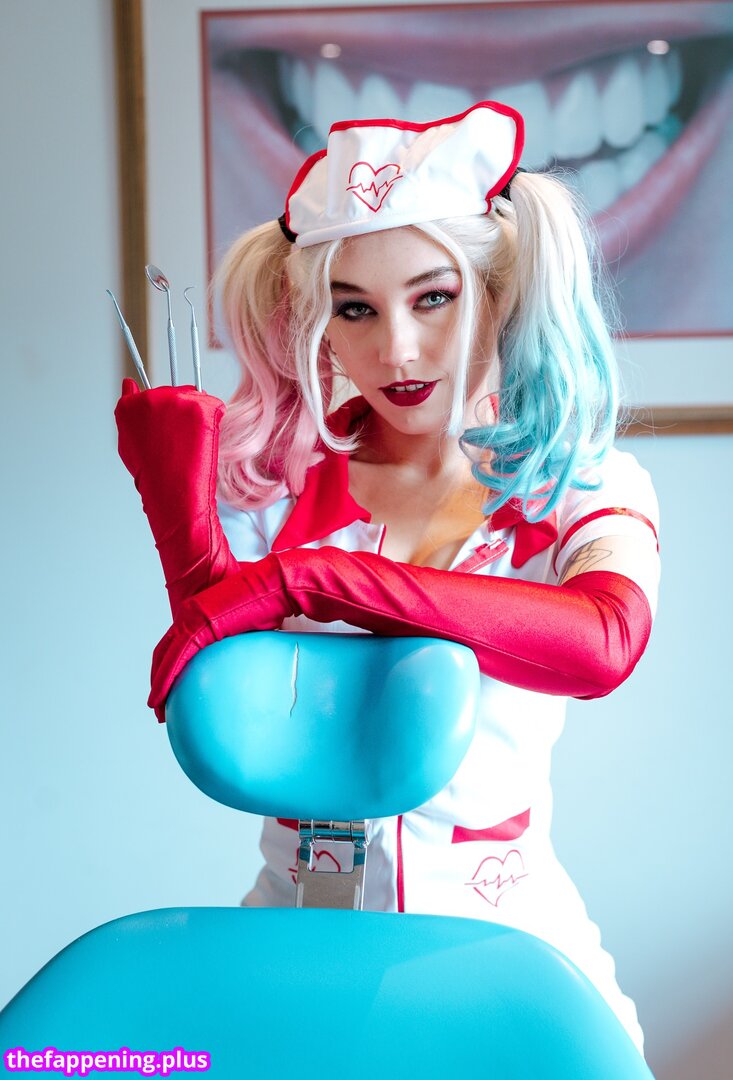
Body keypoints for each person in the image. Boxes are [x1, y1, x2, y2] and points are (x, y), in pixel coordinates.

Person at [116, 102, 659, 1052]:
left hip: (508, 966)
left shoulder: (578, 485)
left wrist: (320, 582)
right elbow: (223, 710)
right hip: (294, 957)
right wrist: (178, 513)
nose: (395, 349)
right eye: (355, 308)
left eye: (432, 297)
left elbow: (604, 643)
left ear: (497, 291)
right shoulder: (276, 488)